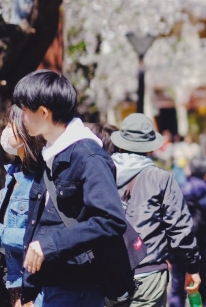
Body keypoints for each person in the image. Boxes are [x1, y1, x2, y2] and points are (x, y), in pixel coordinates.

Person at [14, 70, 128, 307]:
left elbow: (111, 219)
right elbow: (39, 224)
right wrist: (30, 291)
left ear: (43, 112)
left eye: (25, 110)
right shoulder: (50, 153)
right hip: (53, 283)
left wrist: (50, 244)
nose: (21, 117)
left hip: (80, 287)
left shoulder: (88, 156)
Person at [106, 114, 202, 307]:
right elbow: (180, 228)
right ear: (150, 148)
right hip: (148, 274)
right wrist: (192, 266)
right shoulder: (161, 179)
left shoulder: (101, 172)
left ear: (120, 144)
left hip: (106, 274)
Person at [0, 106, 44, 307]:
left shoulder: (38, 180)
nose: (6, 130)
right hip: (13, 283)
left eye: (10, 124)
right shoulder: (13, 173)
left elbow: (37, 238)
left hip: (31, 289)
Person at [169, 156, 206, 307]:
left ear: (188, 171)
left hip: (180, 251)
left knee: (176, 292)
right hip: (205, 254)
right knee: (204, 295)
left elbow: (168, 223)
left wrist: (167, 253)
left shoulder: (177, 193)